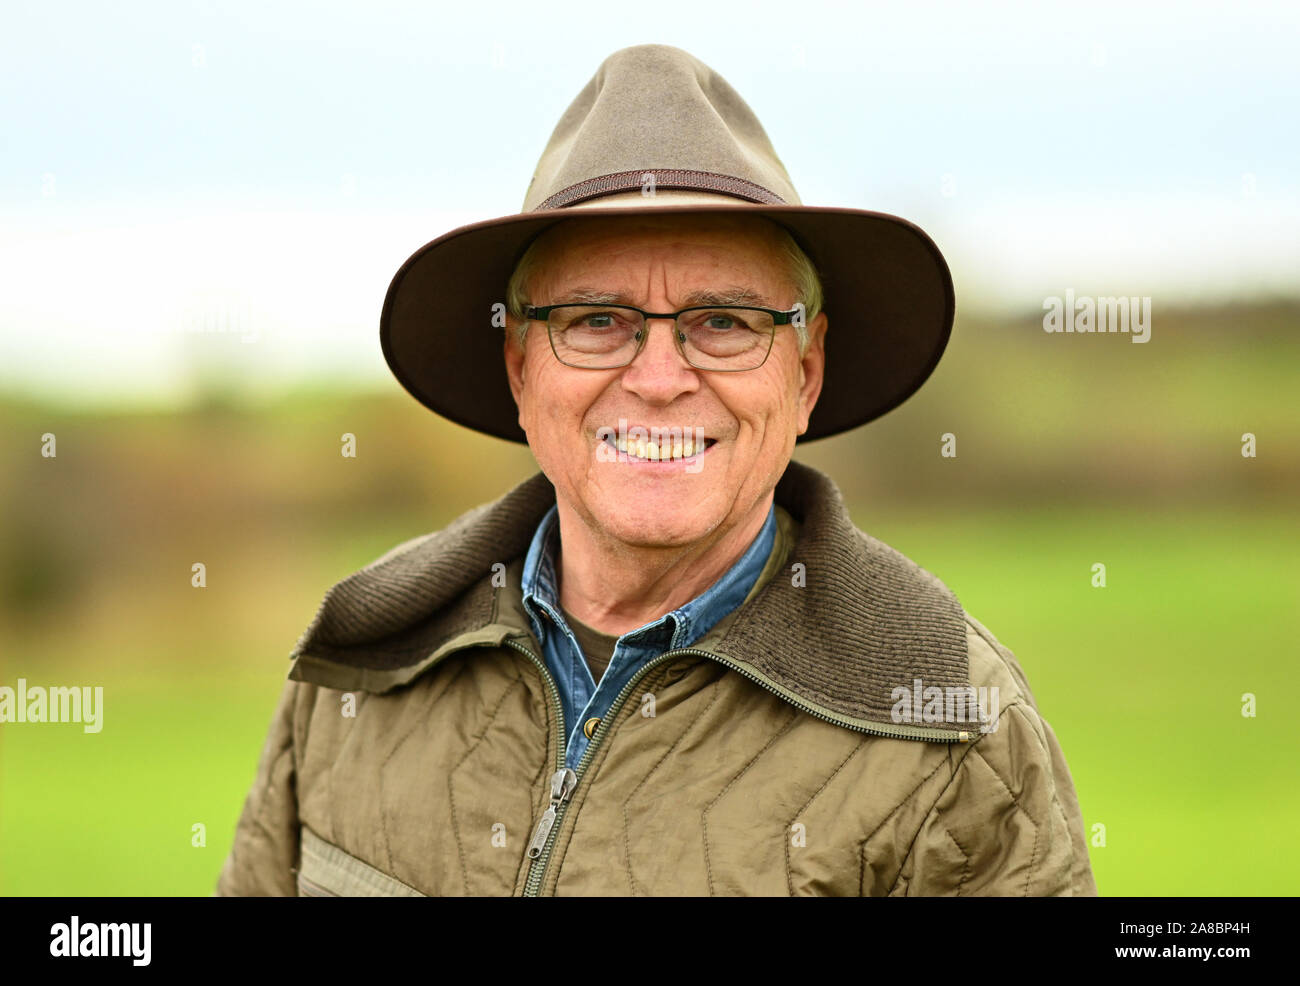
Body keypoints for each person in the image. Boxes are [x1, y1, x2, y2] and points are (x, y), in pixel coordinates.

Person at [216, 43, 1097, 896]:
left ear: (806, 373)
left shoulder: (951, 724)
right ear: (522, 367)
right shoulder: (364, 656)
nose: (661, 379)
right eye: (597, 319)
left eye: (725, 321)